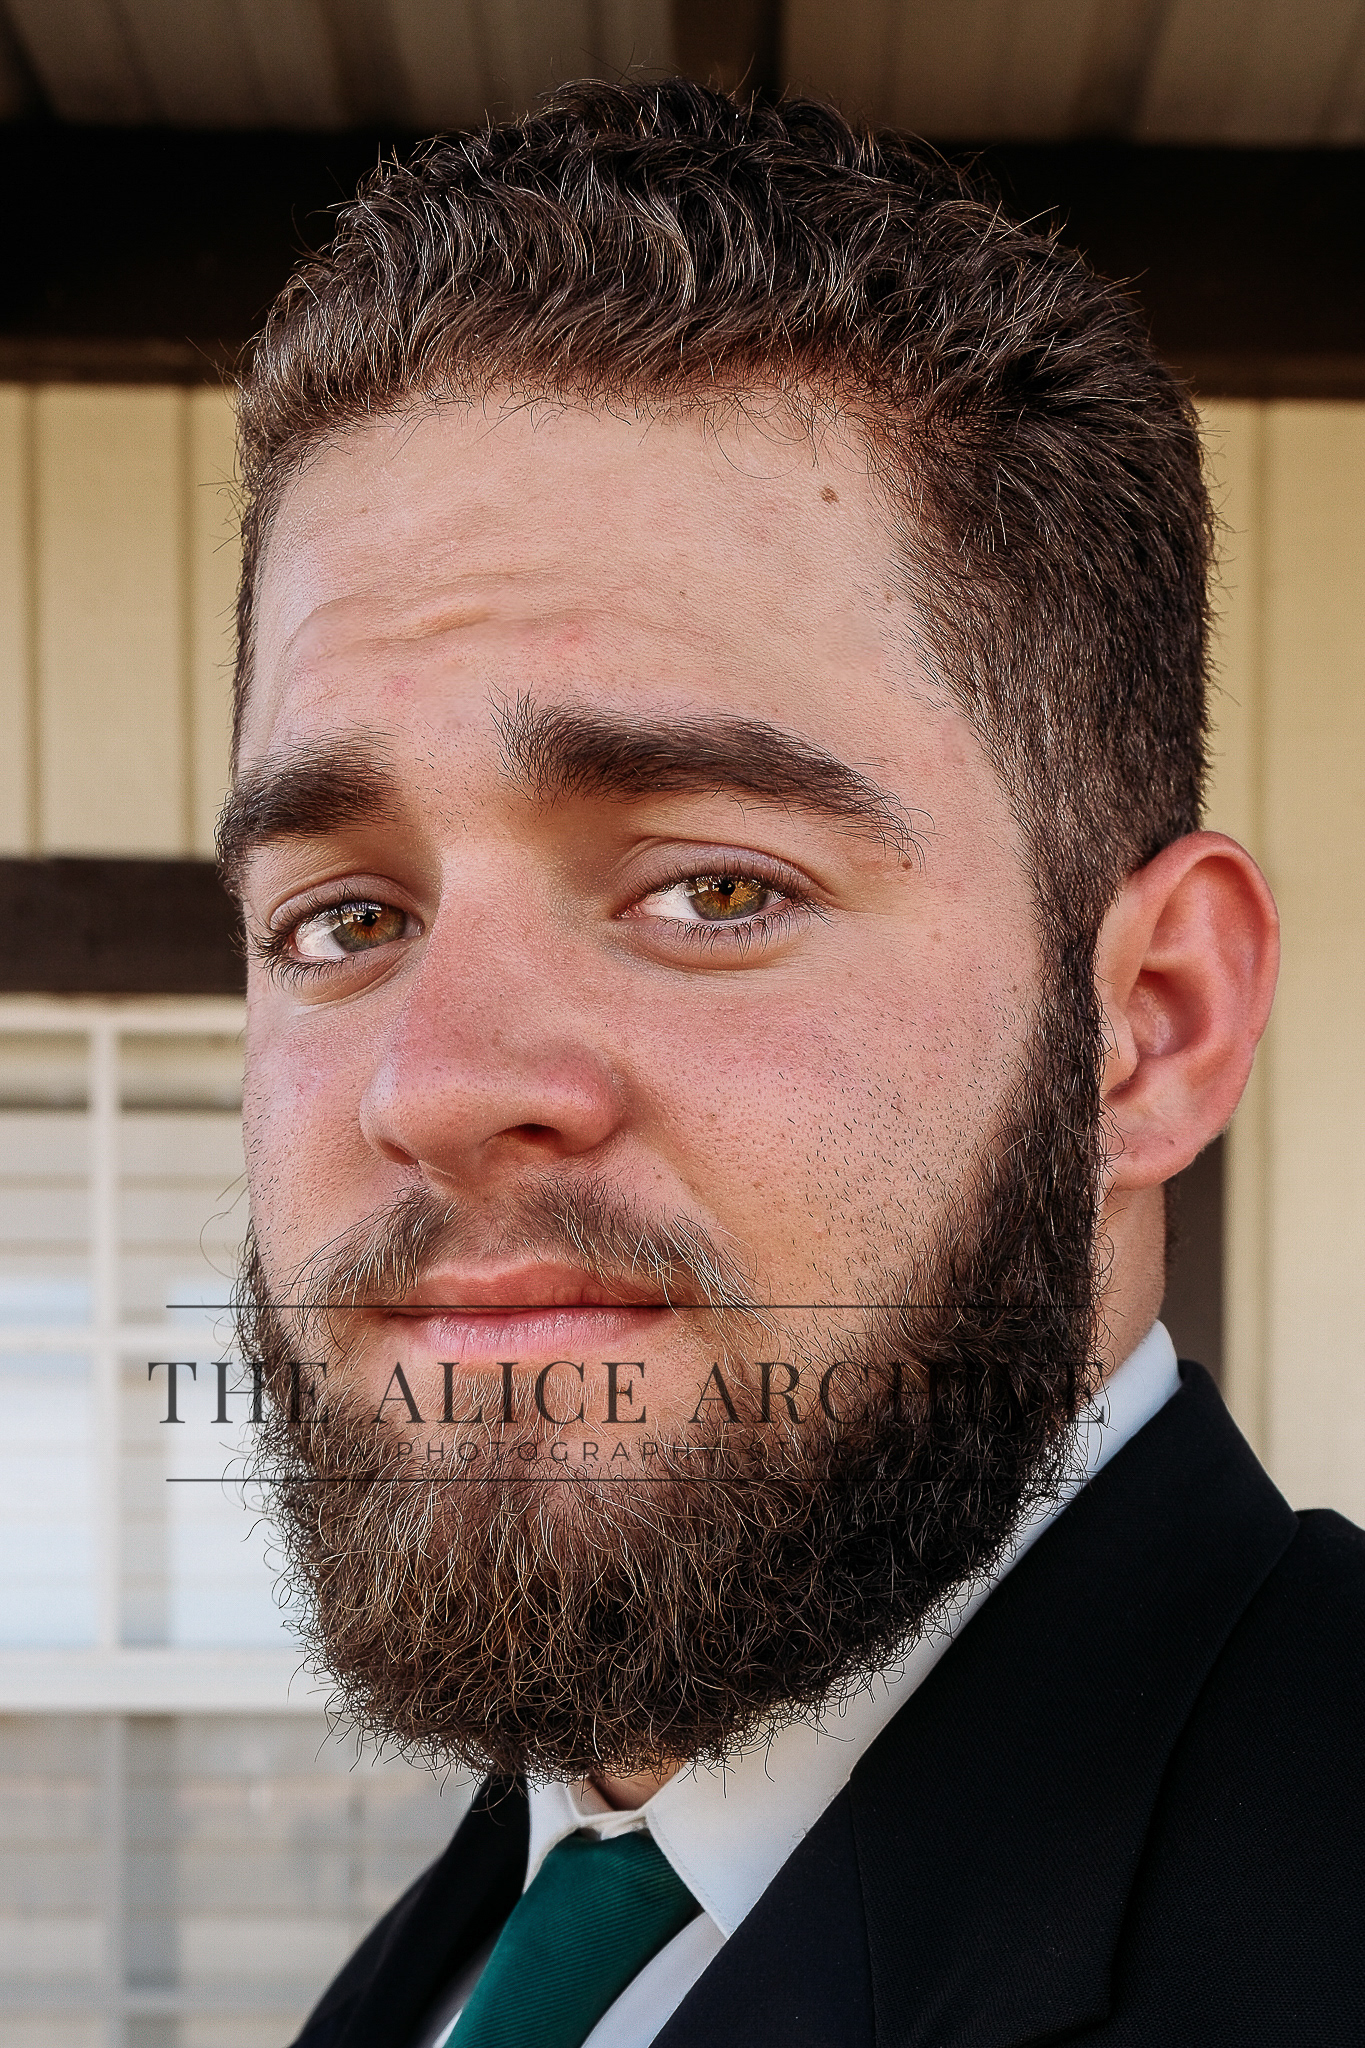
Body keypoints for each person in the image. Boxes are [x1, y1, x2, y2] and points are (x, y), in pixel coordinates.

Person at [219, 81, 1363, 2048]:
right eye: (343, 919)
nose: (433, 1084)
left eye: (714, 889)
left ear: (1152, 1024)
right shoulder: (491, 1936)